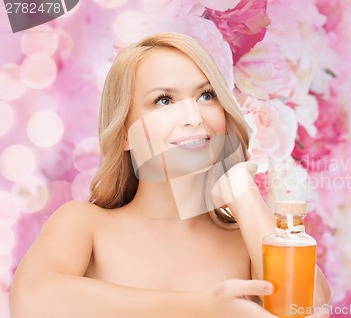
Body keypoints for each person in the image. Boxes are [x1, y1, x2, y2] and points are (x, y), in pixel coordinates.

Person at [9, 32, 331, 317]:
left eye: (206, 95)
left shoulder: (245, 242)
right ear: (124, 135)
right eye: (164, 100)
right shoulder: (85, 224)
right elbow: (31, 300)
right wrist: (205, 308)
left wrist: (242, 192)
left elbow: (308, 309)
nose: (192, 117)